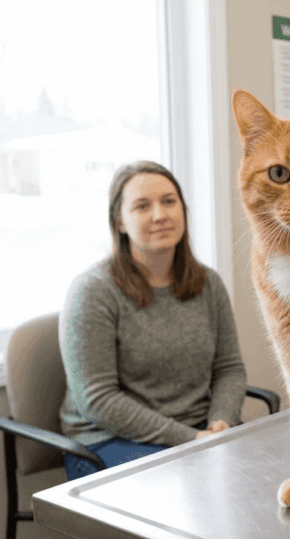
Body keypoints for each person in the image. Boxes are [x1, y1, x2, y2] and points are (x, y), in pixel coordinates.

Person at [59, 160, 248, 480]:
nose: (160, 215)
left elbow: (229, 368)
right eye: (142, 206)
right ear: (120, 222)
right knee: (192, 493)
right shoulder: (92, 291)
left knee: (268, 477)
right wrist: (190, 439)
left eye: (169, 201)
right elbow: (98, 400)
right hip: (109, 441)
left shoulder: (209, 284)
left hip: (200, 432)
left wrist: (221, 422)